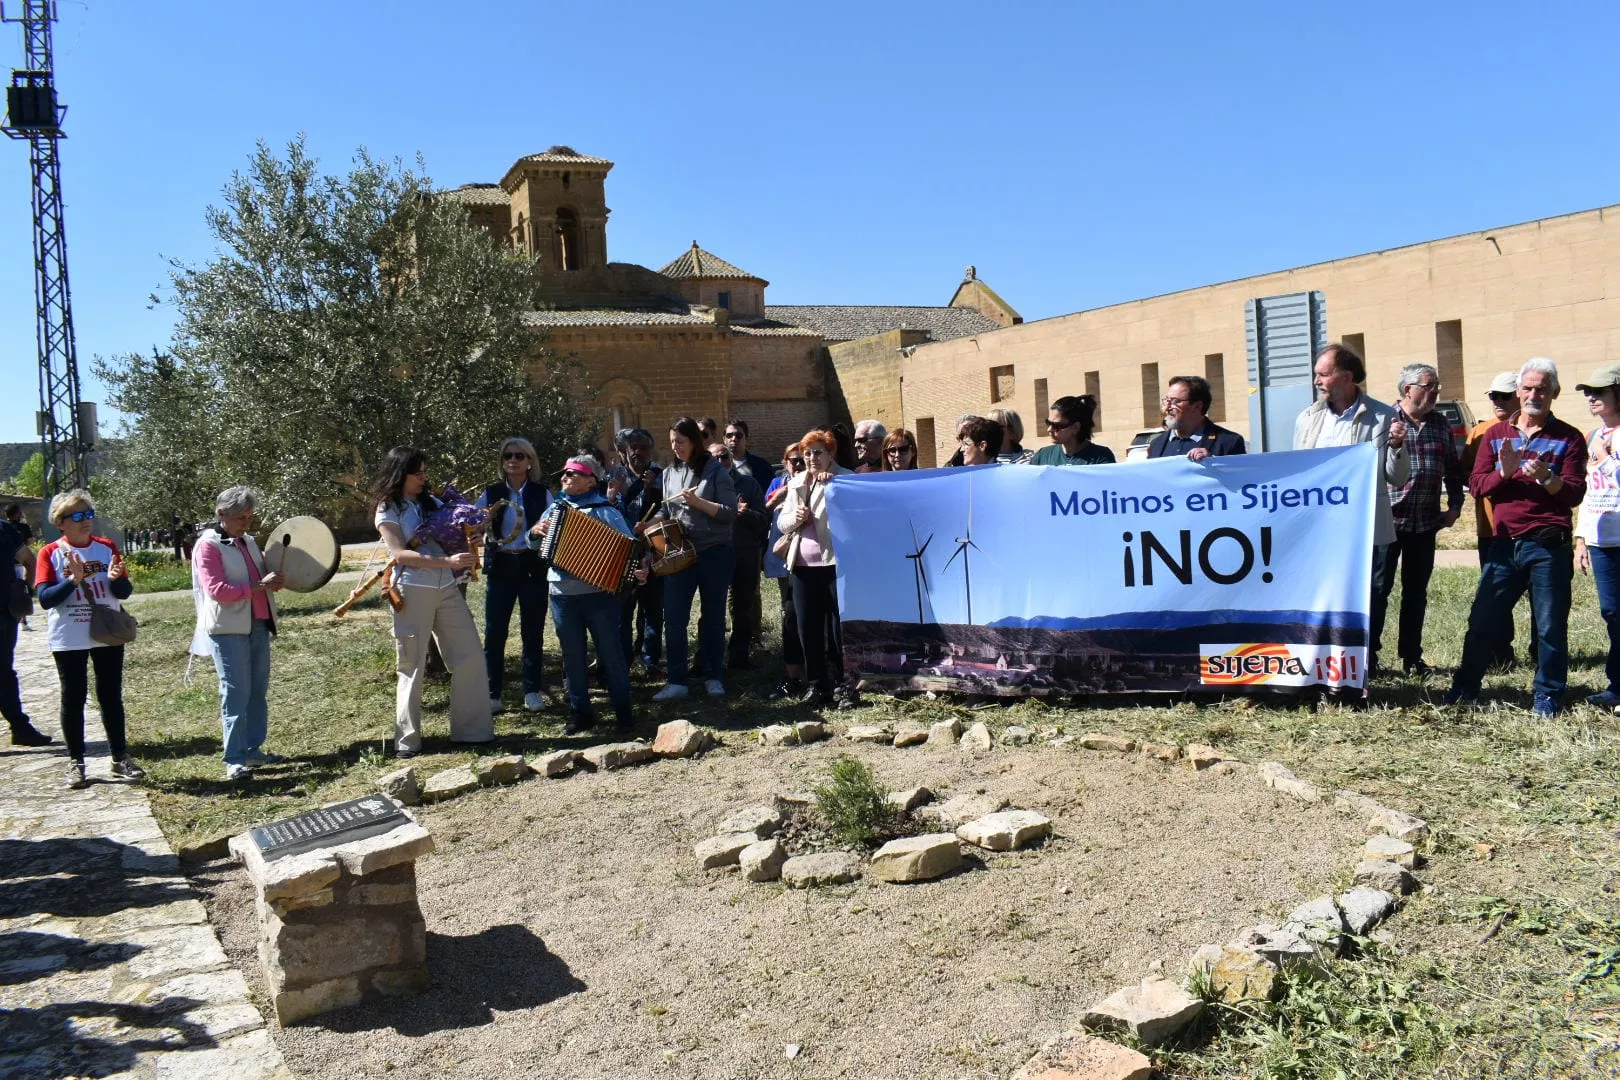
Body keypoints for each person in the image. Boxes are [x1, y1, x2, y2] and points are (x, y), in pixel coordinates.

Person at [1447, 358, 1586, 716]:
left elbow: (1573, 494)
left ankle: (1549, 695)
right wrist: (1504, 472)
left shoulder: (1568, 437)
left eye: (1542, 388)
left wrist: (1547, 478)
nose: (1534, 394)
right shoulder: (1495, 434)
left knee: (1550, 626)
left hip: (1548, 544)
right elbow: (1477, 486)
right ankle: (1465, 688)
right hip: (1504, 545)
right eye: (1527, 388)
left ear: (1554, 392)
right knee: (1482, 621)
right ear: (1518, 392)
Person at [1293, 344, 1409, 678]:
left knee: (1365, 597)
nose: (1317, 380)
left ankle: (1362, 663)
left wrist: (1398, 447)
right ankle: (1321, 662)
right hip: (1318, 529)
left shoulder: (1382, 416)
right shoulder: (1307, 418)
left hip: (1363, 529)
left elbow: (1397, 477)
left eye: (1323, 374)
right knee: (1321, 595)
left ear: (1346, 377)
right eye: (1317, 374)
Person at [373, 447, 493, 757]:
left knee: (470, 655)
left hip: (447, 587)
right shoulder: (388, 508)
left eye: (426, 471)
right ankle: (407, 742)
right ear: (400, 474)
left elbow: (458, 528)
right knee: (411, 665)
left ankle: (473, 732)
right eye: (419, 473)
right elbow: (399, 554)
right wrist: (448, 562)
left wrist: (474, 536)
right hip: (412, 588)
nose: (425, 478)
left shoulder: (433, 502)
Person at [35, 489, 143, 789]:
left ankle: (120, 758)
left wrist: (116, 579)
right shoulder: (50, 553)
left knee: (110, 696)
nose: (86, 521)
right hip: (69, 635)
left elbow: (123, 593)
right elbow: (44, 599)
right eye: (78, 516)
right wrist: (73, 579)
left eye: (89, 515)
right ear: (61, 522)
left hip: (107, 631)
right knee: (74, 697)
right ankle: (77, 762)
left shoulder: (106, 547)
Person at [529, 456, 641, 735]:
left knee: (611, 654)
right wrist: (535, 530)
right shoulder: (554, 509)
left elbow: (630, 550)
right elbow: (531, 542)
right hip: (561, 595)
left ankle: (623, 712)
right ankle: (580, 713)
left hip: (598, 596)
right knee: (572, 656)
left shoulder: (607, 511)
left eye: (573, 474)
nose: (565, 477)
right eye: (564, 474)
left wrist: (633, 572)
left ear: (591, 480)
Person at [1374, 364, 1464, 676]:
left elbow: (1453, 468)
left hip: (1426, 522)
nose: (1435, 391)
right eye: (1428, 385)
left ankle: (1412, 657)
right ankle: (1370, 657)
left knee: (1416, 593)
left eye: (1437, 385)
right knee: (1377, 590)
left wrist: (1455, 504)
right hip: (1388, 521)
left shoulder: (1440, 424)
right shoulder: (1383, 420)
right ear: (1407, 389)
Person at [192, 485, 286, 781]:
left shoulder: (248, 541)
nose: (246, 523)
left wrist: (273, 582)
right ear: (221, 515)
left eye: (249, 517)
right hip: (228, 628)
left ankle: (253, 749)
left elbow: (260, 577)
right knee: (235, 692)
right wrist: (259, 587)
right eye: (241, 518)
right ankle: (234, 758)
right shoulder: (208, 545)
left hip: (258, 624)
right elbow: (217, 590)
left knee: (257, 690)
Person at [644, 417, 737, 700]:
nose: (676, 448)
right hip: (679, 555)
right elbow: (667, 512)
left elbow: (730, 512)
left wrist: (698, 503)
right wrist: (651, 524)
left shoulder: (715, 471)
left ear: (694, 442)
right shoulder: (669, 474)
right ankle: (677, 681)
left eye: (681, 442)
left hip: (714, 553)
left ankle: (713, 676)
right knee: (673, 618)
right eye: (672, 442)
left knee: (712, 617)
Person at [477, 437, 553, 714]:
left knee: (532, 632)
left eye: (519, 455)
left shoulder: (542, 493)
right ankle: (492, 693)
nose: (512, 460)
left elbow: (554, 529)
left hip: (532, 566)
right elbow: (472, 531)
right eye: (507, 455)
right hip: (501, 567)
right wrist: (479, 524)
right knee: (495, 633)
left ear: (530, 461)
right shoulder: (491, 493)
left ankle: (531, 691)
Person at [775, 430, 851, 706]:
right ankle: (817, 685)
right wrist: (794, 518)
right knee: (807, 628)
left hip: (835, 565)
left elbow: (853, 518)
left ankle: (844, 685)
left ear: (831, 455)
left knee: (836, 629)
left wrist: (834, 490)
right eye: (807, 453)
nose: (811, 458)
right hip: (802, 566)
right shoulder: (795, 482)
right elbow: (781, 524)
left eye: (818, 452)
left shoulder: (844, 478)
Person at [1462, 372, 1530, 666]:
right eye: (1493, 396)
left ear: (1519, 395)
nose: (1498, 401)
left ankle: (1541, 653)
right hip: (1491, 528)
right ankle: (1502, 652)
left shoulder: (1535, 429)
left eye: (1504, 396)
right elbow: (1467, 474)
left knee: (1539, 597)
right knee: (1495, 595)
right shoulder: (1481, 432)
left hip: (1531, 528)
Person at [1573, 364, 1620, 708]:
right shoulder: (1591, 436)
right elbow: (1591, 492)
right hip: (1601, 540)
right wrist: (1580, 539)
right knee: (1612, 613)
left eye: (1599, 392)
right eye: (1588, 392)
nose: (1591, 398)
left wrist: (1605, 460)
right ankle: (1617, 687)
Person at [613, 427, 665, 679]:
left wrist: (653, 489)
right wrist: (616, 495)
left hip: (652, 552)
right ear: (625, 450)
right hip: (622, 553)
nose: (639, 452)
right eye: (634, 447)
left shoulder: (660, 476)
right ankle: (623, 661)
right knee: (623, 610)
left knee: (653, 610)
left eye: (644, 447)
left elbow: (666, 509)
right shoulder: (616, 478)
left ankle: (650, 661)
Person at [713, 442, 766, 670]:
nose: (719, 462)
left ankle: (739, 656)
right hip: (715, 552)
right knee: (712, 607)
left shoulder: (748, 483)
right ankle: (708, 658)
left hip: (745, 552)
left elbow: (764, 521)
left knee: (743, 606)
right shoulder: (704, 486)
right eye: (713, 458)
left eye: (723, 456)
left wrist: (747, 514)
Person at [1, 507, 49, 747]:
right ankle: (20, 727)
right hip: (4, 611)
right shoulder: (4, 529)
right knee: (3, 672)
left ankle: (20, 727)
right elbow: (30, 560)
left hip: (3, 614)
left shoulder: (4, 529)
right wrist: (25, 590)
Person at [765, 443, 807, 698]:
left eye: (802, 459)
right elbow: (767, 505)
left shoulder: (816, 482)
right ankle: (793, 675)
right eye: (793, 460)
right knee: (789, 612)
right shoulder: (779, 483)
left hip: (815, 560)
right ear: (785, 462)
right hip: (786, 559)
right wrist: (787, 489)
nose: (798, 464)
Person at [1146, 376, 1246, 460]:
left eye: (1174, 401)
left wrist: (1213, 462)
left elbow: (1240, 479)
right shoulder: (1156, 445)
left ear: (1197, 406)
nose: (1167, 408)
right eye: (1166, 401)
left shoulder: (1229, 442)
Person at [1032, 396, 1113, 466]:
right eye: (1048, 423)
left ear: (1075, 427)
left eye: (1057, 426)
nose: (1049, 429)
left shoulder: (1101, 457)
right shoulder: (1042, 456)